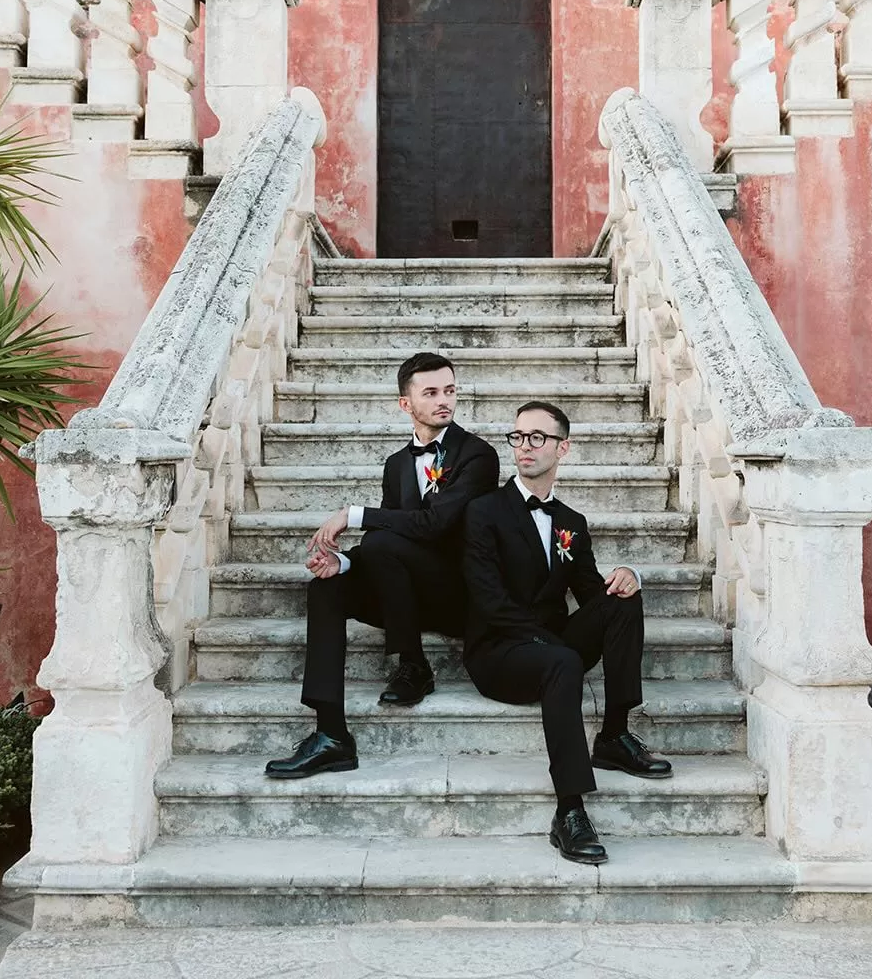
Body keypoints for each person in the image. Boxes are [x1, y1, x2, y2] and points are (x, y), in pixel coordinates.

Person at [265, 350, 500, 780]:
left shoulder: (478, 456)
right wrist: (346, 564)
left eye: (449, 390)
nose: (443, 399)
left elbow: (432, 525)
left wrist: (354, 514)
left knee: (383, 542)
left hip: (457, 595)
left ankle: (413, 663)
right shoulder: (396, 465)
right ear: (405, 404)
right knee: (327, 587)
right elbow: (385, 542)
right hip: (404, 592)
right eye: (430, 392)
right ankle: (331, 734)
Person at [461, 400, 672, 864]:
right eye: (518, 437)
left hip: (554, 647)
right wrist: (552, 646)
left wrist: (628, 575)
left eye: (538, 437)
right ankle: (570, 810)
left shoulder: (571, 525)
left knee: (621, 601)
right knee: (561, 661)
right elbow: (487, 601)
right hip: (499, 651)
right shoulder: (483, 512)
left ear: (563, 448)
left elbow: (590, 591)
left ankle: (614, 735)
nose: (524, 447)